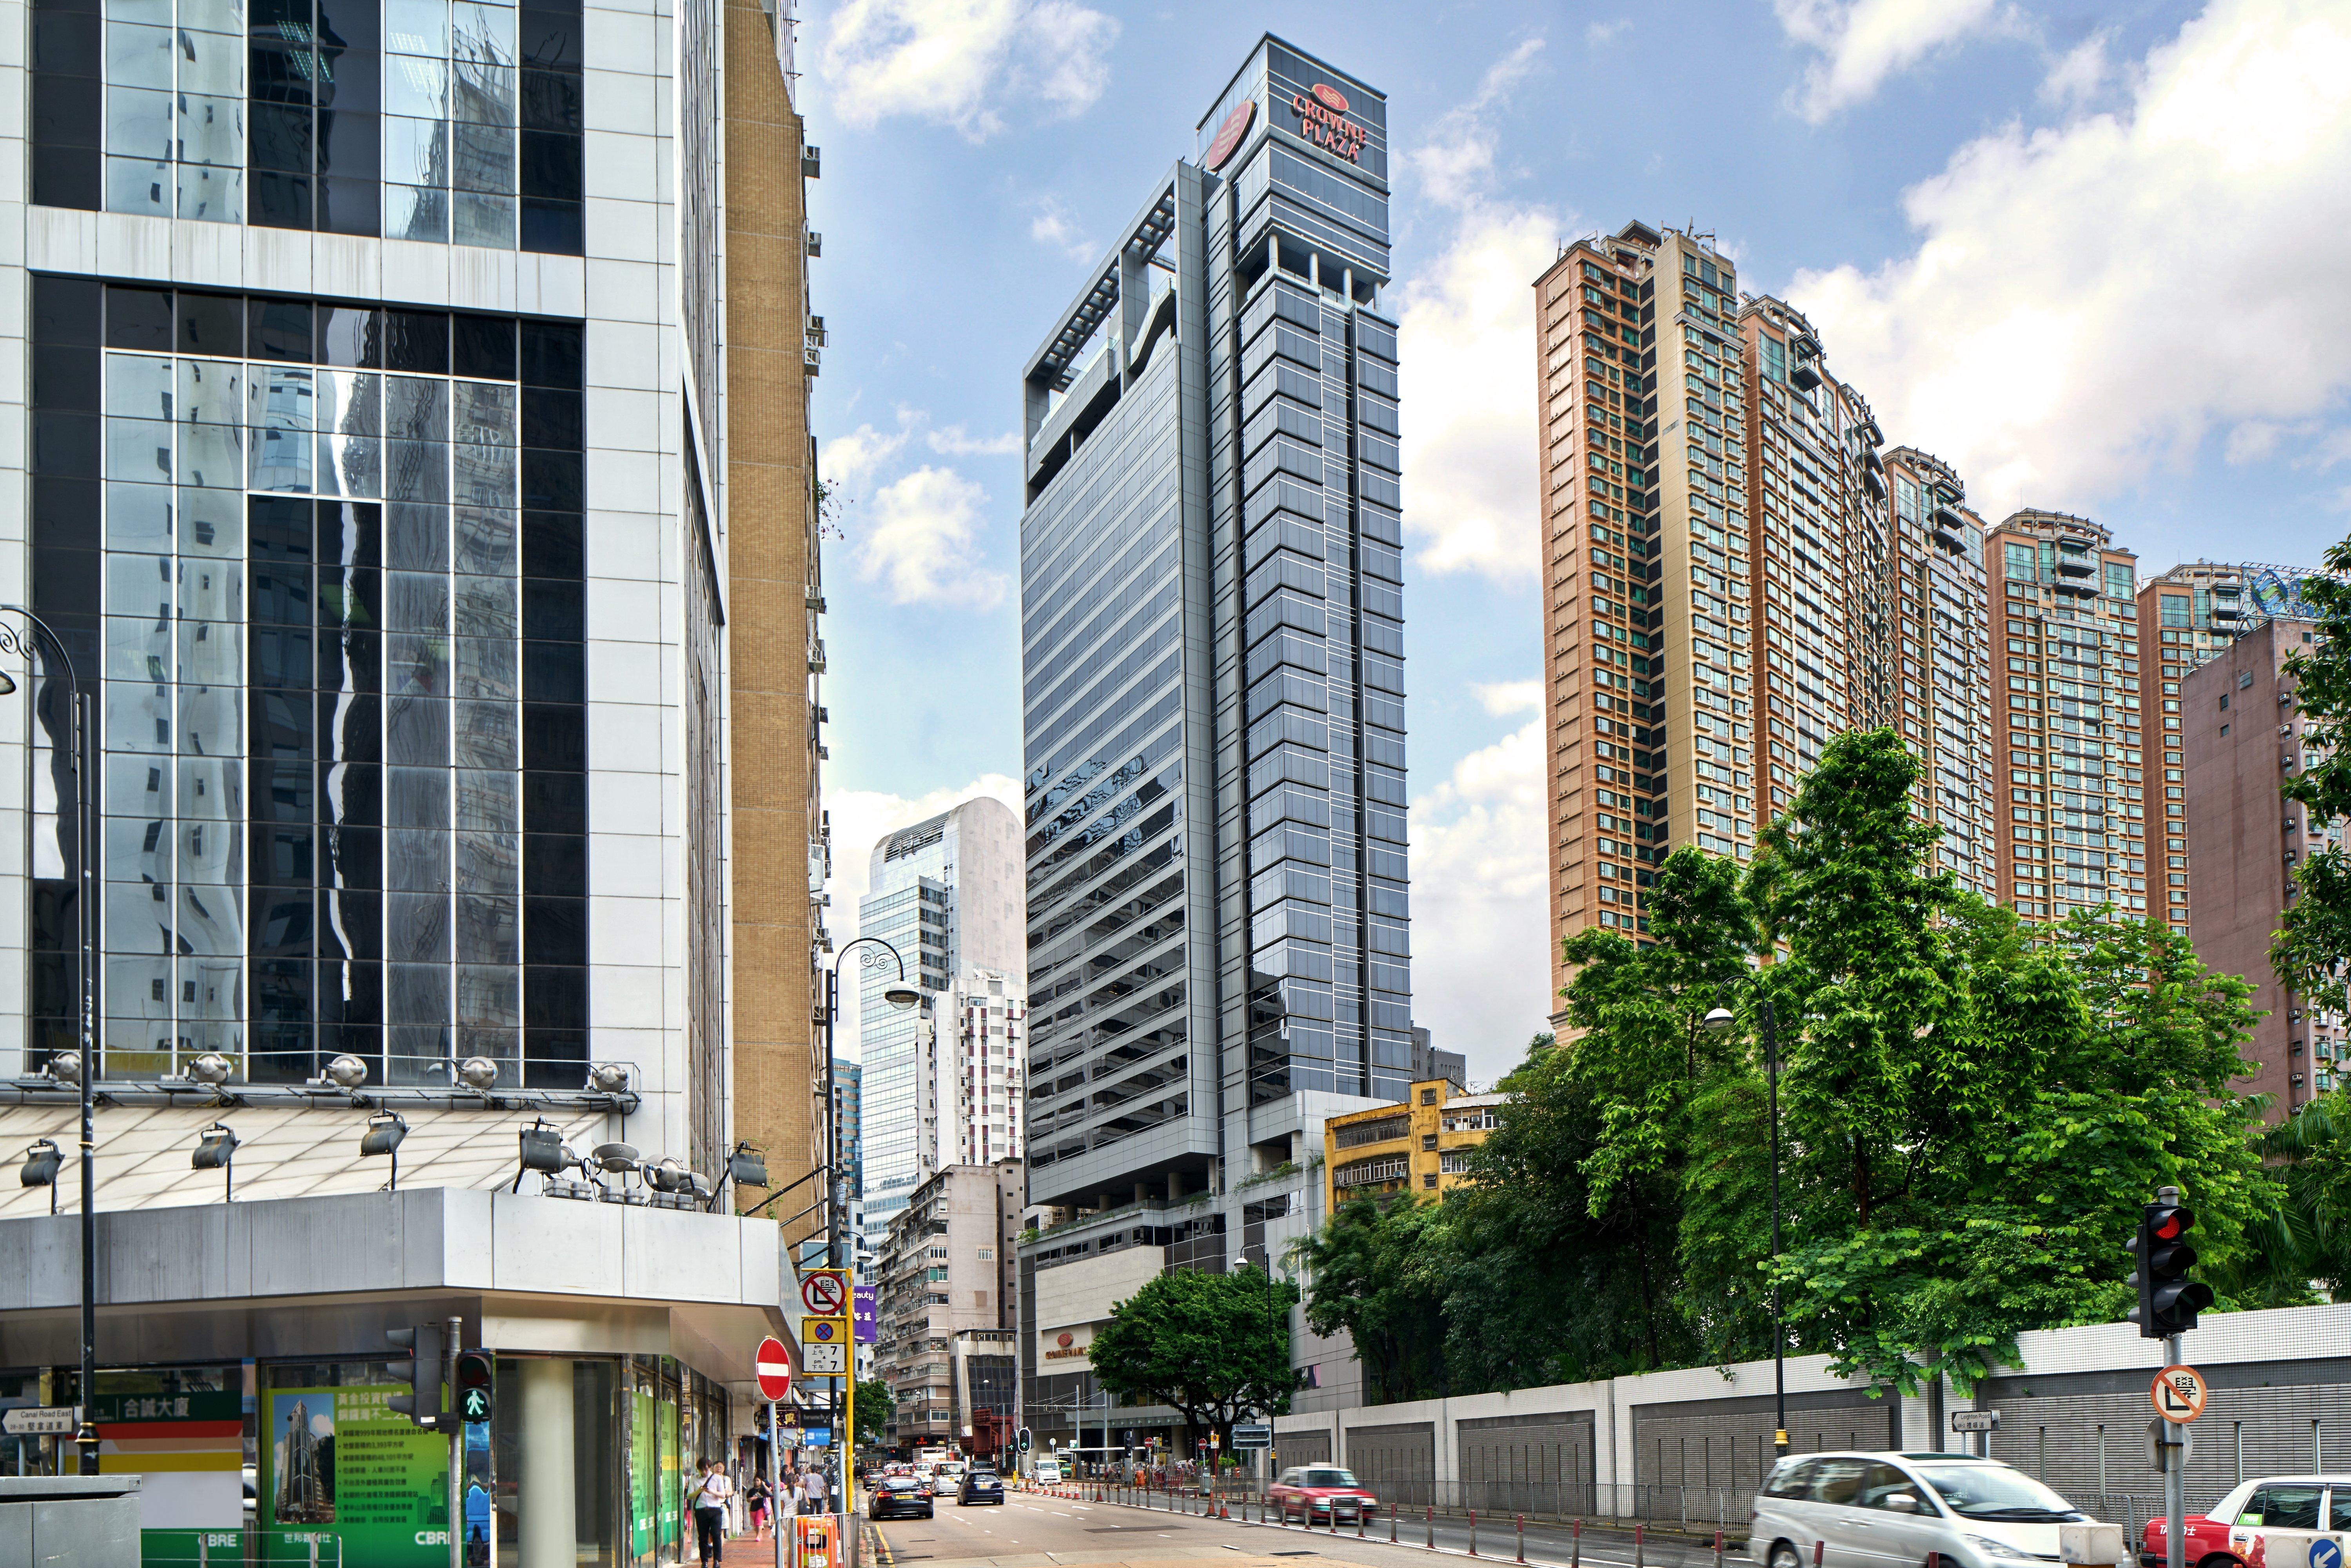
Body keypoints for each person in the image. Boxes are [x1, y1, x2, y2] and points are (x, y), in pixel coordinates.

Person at [688, 1457, 732, 1568]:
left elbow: (723, 1495)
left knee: (717, 1535)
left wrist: (711, 1491)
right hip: (701, 1511)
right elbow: (689, 1496)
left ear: (710, 1468)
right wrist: (699, 1491)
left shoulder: (717, 1478)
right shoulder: (694, 1479)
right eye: (701, 1470)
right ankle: (704, 1562)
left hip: (715, 1511)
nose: (704, 1472)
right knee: (703, 1537)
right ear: (698, 1469)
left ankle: (717, 1560)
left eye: (706, 1469)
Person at [748, 1471, 774, 1540]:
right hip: (753, 1509)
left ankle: (758, 1537)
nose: (756, 1482)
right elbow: (748, 1499)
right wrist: (751, 1499)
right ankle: (759, 1534)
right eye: (755, 1481)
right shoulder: (752, 1491)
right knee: (756, 1524)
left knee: (759, 1522)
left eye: (758, 1481)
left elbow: (770, 1493)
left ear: (761, 1481)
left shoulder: (763, 1490)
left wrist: (764, 1485)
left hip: (762, 1508)